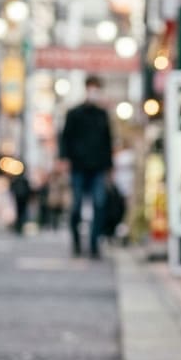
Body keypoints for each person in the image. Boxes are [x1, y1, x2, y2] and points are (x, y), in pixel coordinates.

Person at [59, 74, 113, 258]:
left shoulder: (102, 115)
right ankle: (76, 240)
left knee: (99, 204)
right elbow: (65, 138)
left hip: (98, 167)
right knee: (76, 206)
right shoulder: (74, 113)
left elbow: (108, 142)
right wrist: (64, 159)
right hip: (78, 166)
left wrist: (108, 167)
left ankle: (94, 243)